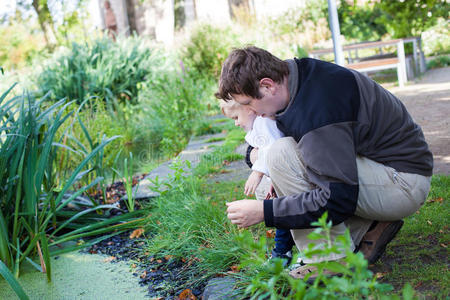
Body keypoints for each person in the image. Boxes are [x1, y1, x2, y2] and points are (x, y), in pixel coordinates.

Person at [216, 46, 433, 279]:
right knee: (268, 176)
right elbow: (264, 146)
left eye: (248, 103)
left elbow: (337, 198)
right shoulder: (294, 79)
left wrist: (265, 212)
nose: (250, 112)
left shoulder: (317, 111)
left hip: (403, 184)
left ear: (267, 85)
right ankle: (366, 228)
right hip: (379, 169)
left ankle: (330, 259)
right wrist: (253, 156)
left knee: (280, 156)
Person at [220, 99, 295, 264]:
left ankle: (282, 252)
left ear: (248, 109)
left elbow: (273, 148)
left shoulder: (264, 123)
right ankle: (284, 250)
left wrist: (257, 173)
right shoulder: (259, 125)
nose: (236, 123)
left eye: (236, 117)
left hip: (286, 175)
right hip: (279, 177)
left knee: (283, 210)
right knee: (282, 209)